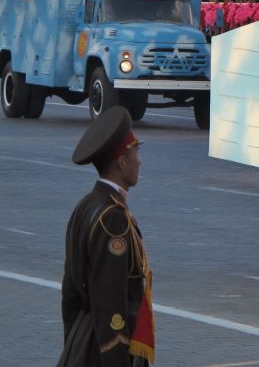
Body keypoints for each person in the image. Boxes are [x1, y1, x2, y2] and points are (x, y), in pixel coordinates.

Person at [60, 107, 155, 366]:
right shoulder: (113, 218)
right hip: (105, 348)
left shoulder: (86, 205)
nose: (140, 161)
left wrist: (72, 345)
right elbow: (110, 300)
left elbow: (69, 292)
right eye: (136, 152)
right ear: (122, 162)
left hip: (84, 338)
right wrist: (117, 358)